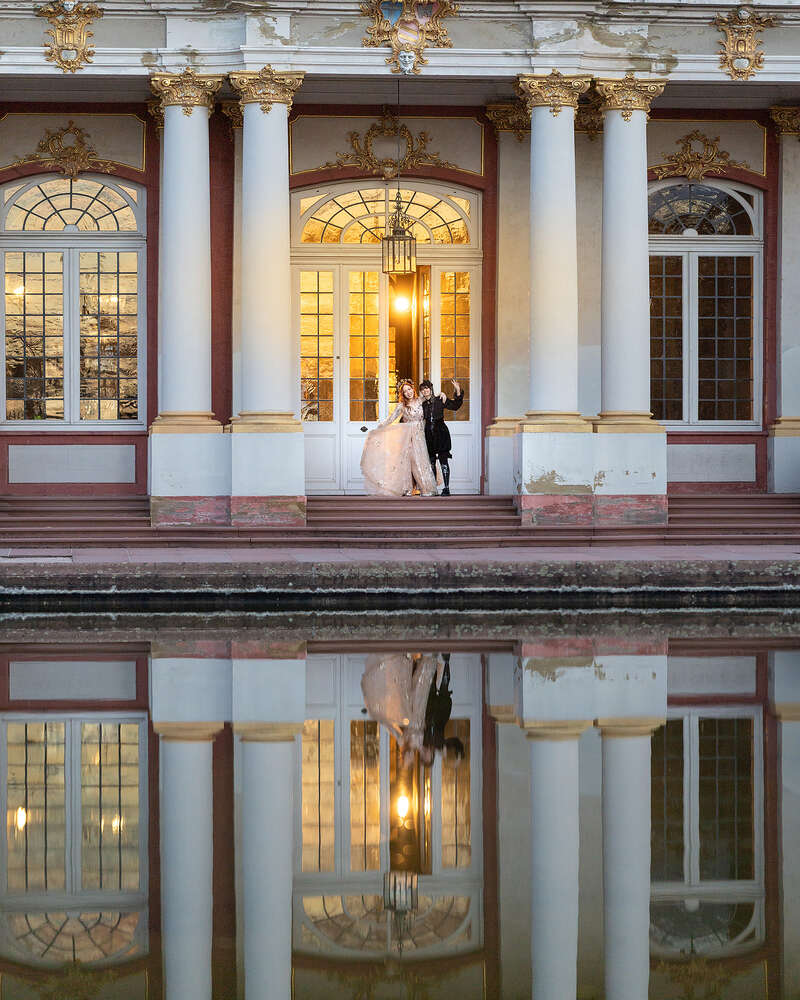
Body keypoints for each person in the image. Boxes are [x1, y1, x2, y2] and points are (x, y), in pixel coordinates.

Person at [360, 379, 438, 497]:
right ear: (402, 394)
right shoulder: (401, 406)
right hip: (408, 436)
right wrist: (379, 427)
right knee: (409, 461)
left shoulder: (421, 400)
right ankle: (407, 488)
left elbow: (432, 399)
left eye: (409, 389)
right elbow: (391, 419)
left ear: (413, 389)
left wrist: (442, 395)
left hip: (421, 435)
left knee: (422, 460)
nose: (408, 392)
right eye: (405, 391)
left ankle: (427, 488)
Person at [419, 379, 464, 496]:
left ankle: (447, 488)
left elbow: (456, 406)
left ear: (431, 389)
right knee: (432, 462)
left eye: (427, 388)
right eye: (423, 389)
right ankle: (434, 489)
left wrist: (458, 390)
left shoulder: (440, 399)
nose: (425, 390)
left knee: (444, 461)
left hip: (441, 433)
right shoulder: (422, 405)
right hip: (428, 434)